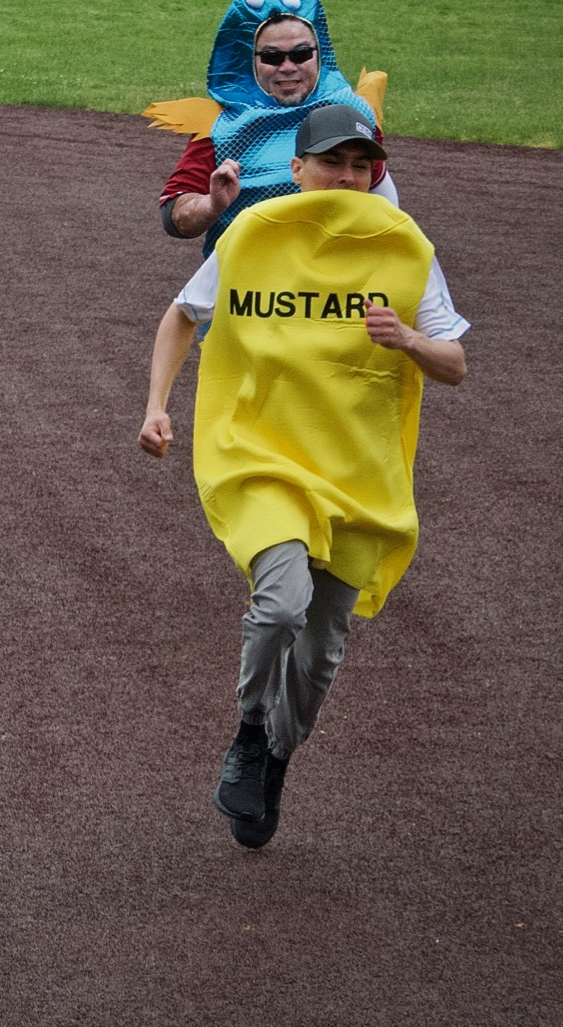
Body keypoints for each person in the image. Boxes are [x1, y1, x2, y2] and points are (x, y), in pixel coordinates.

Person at [138, 104, 468, 849]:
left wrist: (409, 338)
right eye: (331, 163)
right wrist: (157, 407)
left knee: (320, 651)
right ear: (295, 170)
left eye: (361, 166)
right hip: (261, 457)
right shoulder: (257, 235)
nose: (346, 178)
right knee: (281, 605)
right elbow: (184, 315)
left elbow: (455, 364)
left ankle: (277, 760)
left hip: (358, 473)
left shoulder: (405, 247)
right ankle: (251, 733)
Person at [145, 0, 398, 256]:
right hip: (248, 284)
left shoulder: (352, 113)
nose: (288, 67)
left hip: (334, 278)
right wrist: (212, 205)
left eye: (301, 55)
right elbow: (174, 218)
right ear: (249, 59)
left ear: (319, 54)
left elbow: (383, 204)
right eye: (272, 57)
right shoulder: (221, 126)